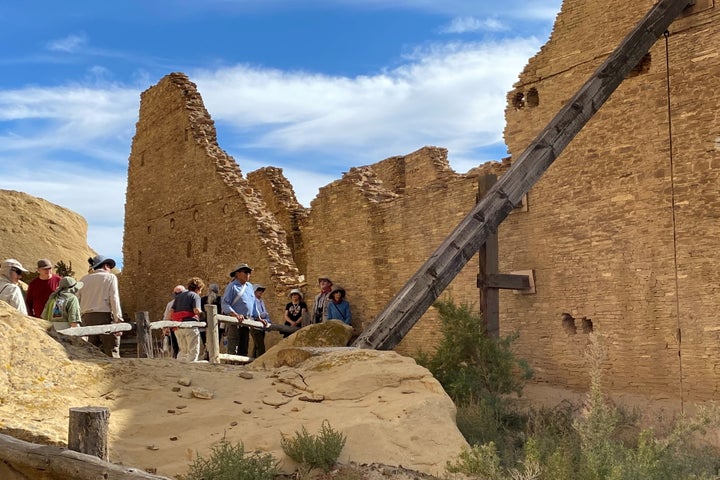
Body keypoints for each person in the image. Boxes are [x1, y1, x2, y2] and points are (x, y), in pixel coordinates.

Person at [77, 255, 123, 358]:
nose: (110, 269)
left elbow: (76, 299)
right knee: (111, 350)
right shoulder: (110, 277)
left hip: (87, 318)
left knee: (91, 351)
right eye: (110, 267)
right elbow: (114, 299)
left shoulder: (83, 279)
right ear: (106, 266)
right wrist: (118, 320)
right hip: (104, 316)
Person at [221, 263, 257, 356]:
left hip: (246, 320)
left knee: (244, 346)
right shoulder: (232, 286)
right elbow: (225, 303)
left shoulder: (249, 287)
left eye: (249, 272)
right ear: (237, 274)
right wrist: (235, 314)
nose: (248, 274)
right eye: (245, 272)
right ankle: (231, 367)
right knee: (233, 346)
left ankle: (241, 367)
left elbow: (253, 303)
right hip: (235, 320)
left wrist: (258, 317)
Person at [171, 277, 204, 362]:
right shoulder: (195, 296)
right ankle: (191, 371)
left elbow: (171, 311)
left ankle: (180, 369)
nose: (200, 292)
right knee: (193, 351)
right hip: (190, 326)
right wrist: (204, 316)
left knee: (183, 351)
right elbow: (196, 310)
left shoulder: (179, 297)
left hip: (178, 326)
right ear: (197, 288)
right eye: (200, 290)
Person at [162, 285, 185, 358]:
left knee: (177, 347)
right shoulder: (170, 304)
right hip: (177, 327)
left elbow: (166, 317)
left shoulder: (171, 303)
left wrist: (165, 327)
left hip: (178, 327)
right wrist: (165, 328)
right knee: (177, 347)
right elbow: (166, 317)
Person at [200, 283, 222, 359]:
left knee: (206, 342)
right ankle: (211, 356)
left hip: (206, 324)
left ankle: (209, 356)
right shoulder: (219, 299)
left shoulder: (203, 299)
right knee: (215, 342)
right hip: (216, 325)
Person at [250, 285, 271, 358]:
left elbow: (264, 312)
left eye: (262, 290)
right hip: (255, 325)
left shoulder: (261, 301)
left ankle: (253, 362)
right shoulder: (252, 301)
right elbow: (253, 313)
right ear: (254, 291)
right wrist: (262, 316)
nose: (261, 292)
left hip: (262, 326)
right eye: (259, 290)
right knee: (260, 346)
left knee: (257, 345)